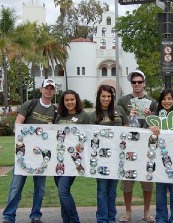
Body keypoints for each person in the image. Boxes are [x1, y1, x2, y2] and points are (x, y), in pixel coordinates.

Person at [1, 78, 58, 223]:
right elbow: (18, 124)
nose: (49, 90)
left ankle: (35, 215)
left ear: (54, 91)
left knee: (40, 187)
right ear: (41, 89)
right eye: (47, 88)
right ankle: (9, 216)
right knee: (16, 186)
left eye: (52, 88)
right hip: (24, 154)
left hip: (42, 156)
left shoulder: (55, 110)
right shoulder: (30, 104)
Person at [117, 70, 157, 223]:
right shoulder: (122, 101)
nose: (137, 84)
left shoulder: (152, 102)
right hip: (129, 147)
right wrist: (129, 116)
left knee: (147, 180)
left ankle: (147, 212)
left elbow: (157, 125)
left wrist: (150, 117)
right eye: (134, 82)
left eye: (140, 81)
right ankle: (128, 212)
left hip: (146, 147)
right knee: (127, 181)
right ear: (131, 84)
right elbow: (118, 122)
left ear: (144, 83)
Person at [89, 85, 129, 223]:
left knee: (112, 191)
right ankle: (102, 219)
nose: (106, 99)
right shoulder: (93, 115)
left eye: (109, 96)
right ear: (98, 98)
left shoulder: (119, 110)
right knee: (102, 190)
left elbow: (126, 129)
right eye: (103, 96)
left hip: (117, 157)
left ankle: (111, 218)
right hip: (101, 159)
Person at [54, 90, 90, 223]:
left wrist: (82, 145)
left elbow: (89, 136)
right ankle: (66, 220)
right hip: (58, 159)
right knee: (61, 192)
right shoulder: (59, 116)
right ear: (63, 102)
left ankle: (74, 220)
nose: (69, 102)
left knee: (63, 191)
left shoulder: (84, 116)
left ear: (76, 100)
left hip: (74, 160)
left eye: (72, 99)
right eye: (66, 100)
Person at [150, 89, 173, 223]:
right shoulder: (154, 118)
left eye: (169, 99)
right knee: (160, 190)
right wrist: (152, 130)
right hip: (159, 160)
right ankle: (161, 218)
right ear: (160, 101)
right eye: (164, 99)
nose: (166, 101)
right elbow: (149, 140)